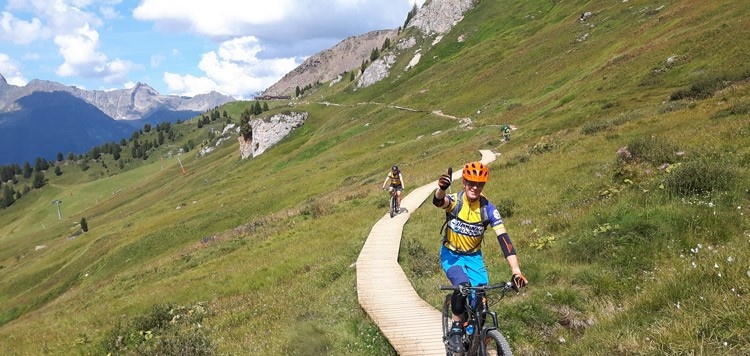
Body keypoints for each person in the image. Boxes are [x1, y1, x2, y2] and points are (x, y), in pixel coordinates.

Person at [433, 161, 527, 352]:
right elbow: (439, 202)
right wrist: (440, 189)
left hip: (474, 257)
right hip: (452, 255)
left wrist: (516, 271)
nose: (475, 187)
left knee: (481, 299)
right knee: (463, 286)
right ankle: (457, 328)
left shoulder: (488, 209)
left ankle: (476, 338)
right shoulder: (456, 201)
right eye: (471, 183)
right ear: (464, 182)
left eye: (479, 184)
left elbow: (504, 240)